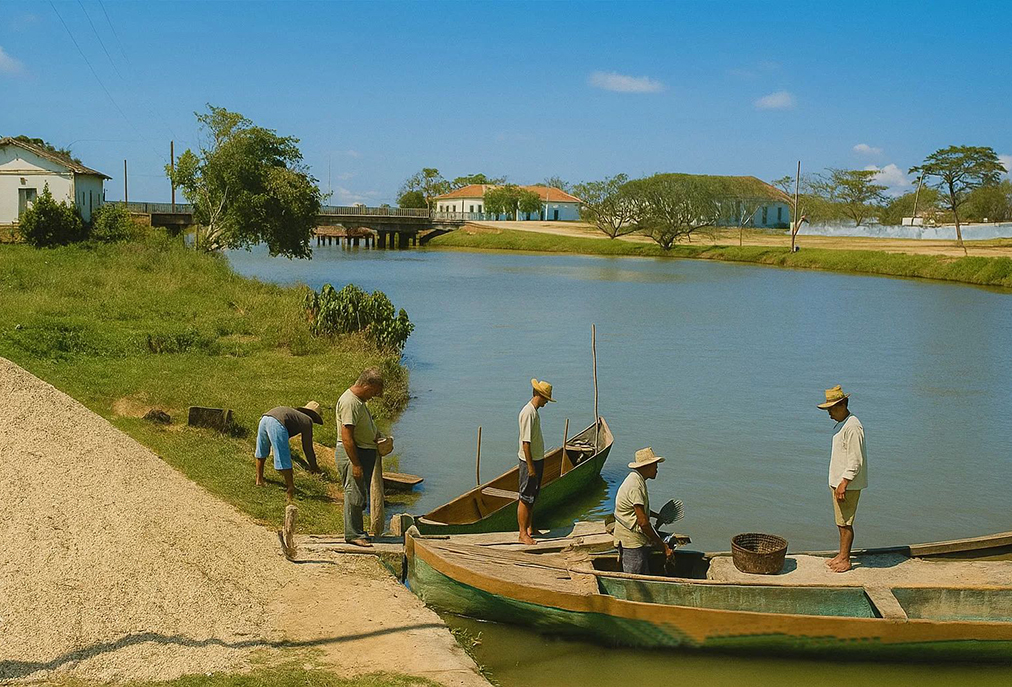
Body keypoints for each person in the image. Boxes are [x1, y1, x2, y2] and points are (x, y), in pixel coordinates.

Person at [337, 367, 389, 548]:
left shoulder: (359, 402)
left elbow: (362, 428)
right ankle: (353, 534)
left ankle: (357, 531)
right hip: (355, 454)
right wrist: (356, 463)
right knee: (354, 493)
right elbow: (346, 437)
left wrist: (377, 437)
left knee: (359, 494)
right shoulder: (350, 402)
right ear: (367, 385)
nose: (374, 396)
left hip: (363, 451)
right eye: (374, 392)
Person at [818, 385, 868, 573]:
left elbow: (856, 460)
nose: (829, 413)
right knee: (840, 520)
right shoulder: (844, 424)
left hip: (847, 484)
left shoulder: (853, 426)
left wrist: (844, 483)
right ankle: (841, 554)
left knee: (845, 521)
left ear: (842, 405)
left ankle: (845, 560)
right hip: (840, 482)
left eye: (831, 409)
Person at [613, 447, 671, 574]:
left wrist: (656, 515)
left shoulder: (637, 479)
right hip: (631, 541)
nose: (657, 469)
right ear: (647, 466)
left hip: (633, 536)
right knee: (636, 578)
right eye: (655, 466)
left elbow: (637, 509)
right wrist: (663, 547)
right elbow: (643, 523)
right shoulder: (635, 486)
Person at [254, 401, 323, 502]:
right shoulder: (307, 421)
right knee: (284, 456)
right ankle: (290, 488)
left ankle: (259, 479)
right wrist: (314, 467)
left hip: (265, 418)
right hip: (277, 422)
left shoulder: (295, 415)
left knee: (262, 450)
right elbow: (307, 447)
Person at [517, 378, 554, 545]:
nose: (546, 402)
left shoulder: (534, 411)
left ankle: (530, 528)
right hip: (529, 462)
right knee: (525, 497)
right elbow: (526, 444)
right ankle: (522, 533)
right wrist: (531, 468)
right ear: (540, 395)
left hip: (537, 460)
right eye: (546, 398)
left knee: (533, 496)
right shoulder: (528, 413)